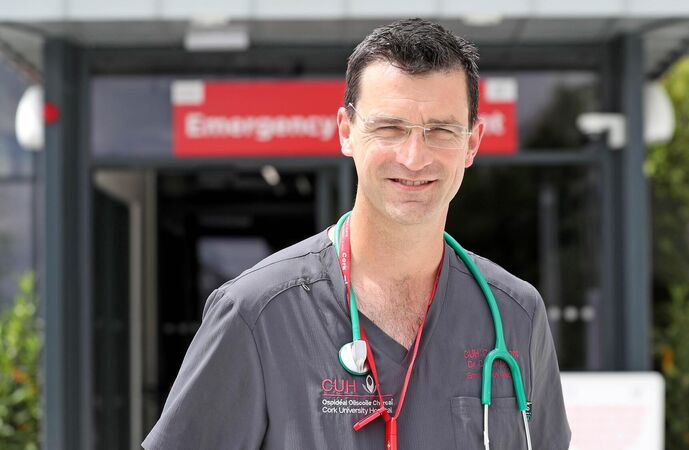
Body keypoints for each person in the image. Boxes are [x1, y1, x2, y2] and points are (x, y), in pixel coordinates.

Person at [143, 18, 571, 450]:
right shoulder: (256, 314)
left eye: (441, 130)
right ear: (346, 132)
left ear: (472, 143)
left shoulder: (516, 315)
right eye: (390, 128)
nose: (414, 157)